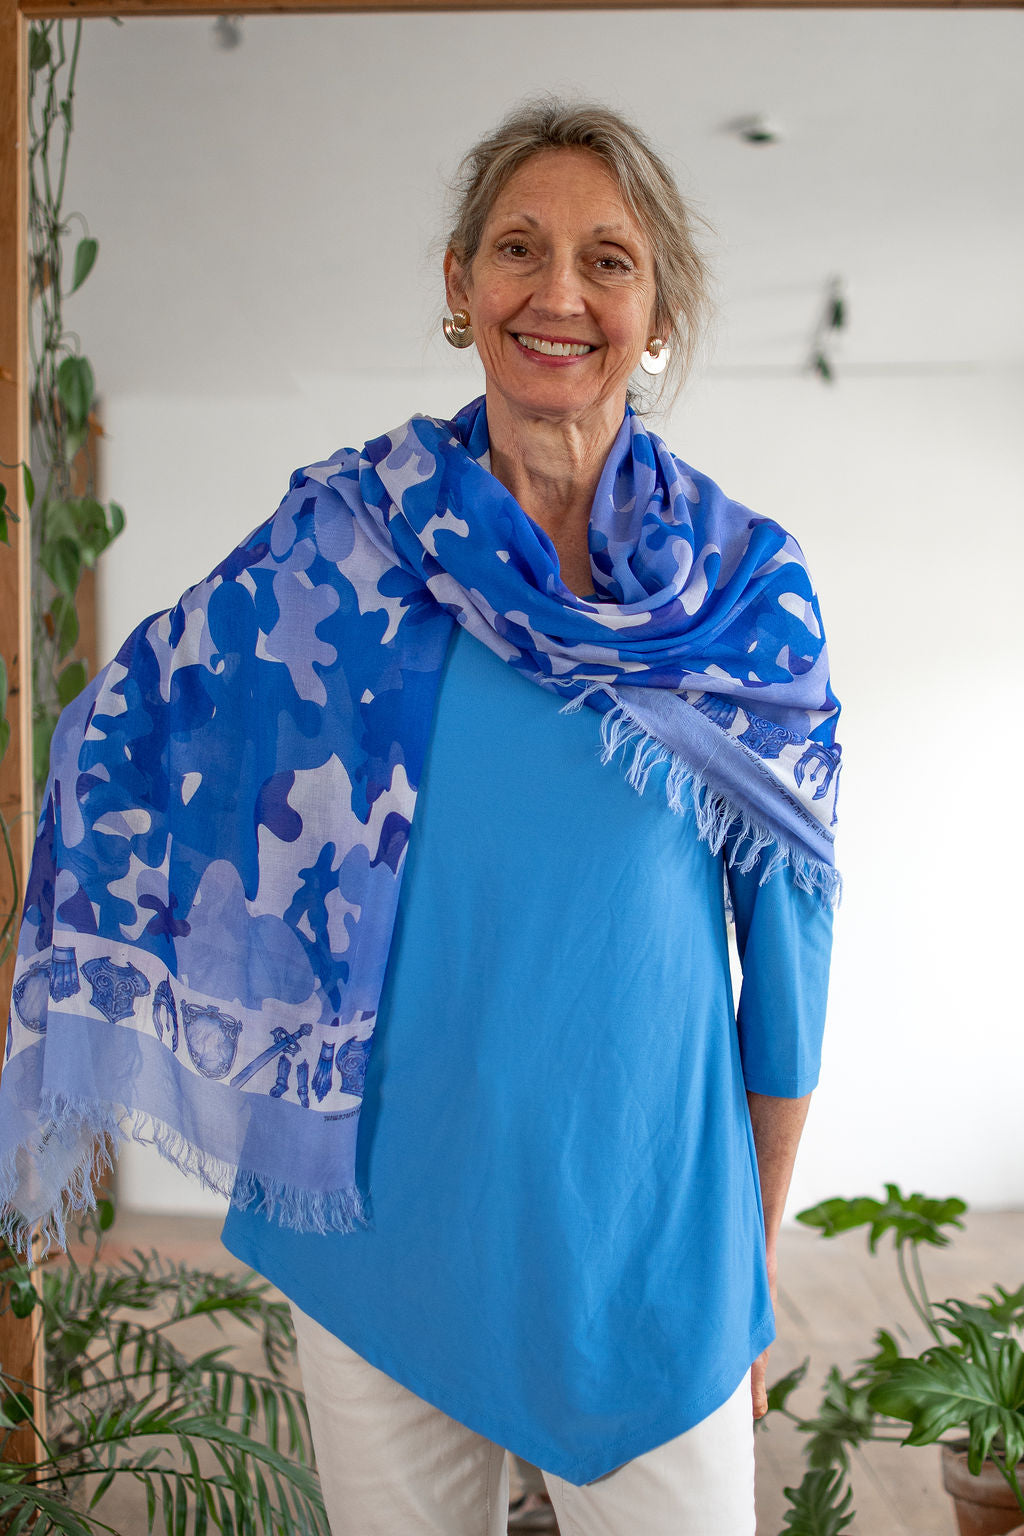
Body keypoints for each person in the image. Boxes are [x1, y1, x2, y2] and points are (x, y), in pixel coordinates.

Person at [1, 100, 841, 1536]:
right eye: (518, 248)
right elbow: (134, 727)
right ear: (461, 284)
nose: (558, 292)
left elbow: (791, 971)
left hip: (646, 1248)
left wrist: (750, 1254)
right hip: (383, 1227)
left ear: (659, 313)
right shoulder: (347, 549)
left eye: (608, 260)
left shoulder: (745, 602)